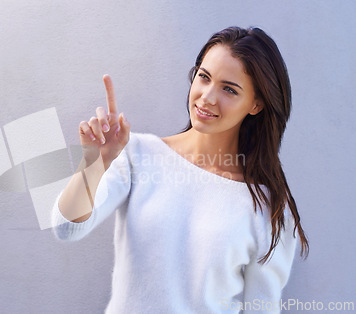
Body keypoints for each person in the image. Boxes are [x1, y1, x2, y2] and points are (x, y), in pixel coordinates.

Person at [51, 26, 309, 313]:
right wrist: (94, 163)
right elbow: (66, 229)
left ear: (256, 104)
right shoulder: (138, 154)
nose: (207, 97)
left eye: (229, 89)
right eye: (204, 77)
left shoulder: (267, 208)